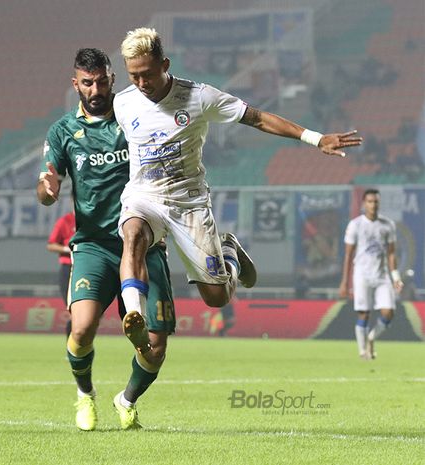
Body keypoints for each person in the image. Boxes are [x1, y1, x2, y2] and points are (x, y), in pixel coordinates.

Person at [112, 27, 362, 343]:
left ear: (165, 64)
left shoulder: (199, 97)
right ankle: (134, 313)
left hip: (188, 202)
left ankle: (228, 251)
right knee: (132, 233)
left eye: (147, 74)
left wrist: (315, 138)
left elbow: (256, 118)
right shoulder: (124, 102)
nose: (141, 83)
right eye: (133, 75)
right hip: (144, 196)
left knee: (216, 297)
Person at [37, 48, 175, 431]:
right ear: (75, 84)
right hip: (95, 245)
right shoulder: (63, 131)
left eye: (101, 81)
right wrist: (47, 189)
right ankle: (85, 395)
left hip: (146, 243)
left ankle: (126, 399)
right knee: (80, 329)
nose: (95, 89)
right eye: (87, 82)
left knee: (156, 346)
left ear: (113, 79)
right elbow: (47, 186)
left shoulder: (136, 117)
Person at [339, 189, 403, 360]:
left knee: (388, 312)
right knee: (364, 313)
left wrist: (395, 277)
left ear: (379, 203)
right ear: (363, 204)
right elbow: (348, 255)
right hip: (362, 274)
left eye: (376, 202)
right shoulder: (355, 225)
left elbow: (391, 253)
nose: (373, 205)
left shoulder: (388, 225)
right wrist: (345, 282)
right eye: (370, 201)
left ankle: (371, 337)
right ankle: (362, 352)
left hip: (382, 275)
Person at [46, 208, 76, 338]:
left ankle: (80, 347)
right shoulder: (65, 221)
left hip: (90, 268)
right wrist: (67, 249)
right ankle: (72, 349)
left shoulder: (94, 219)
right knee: (73, 311)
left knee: (90, 313)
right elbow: (51, 245)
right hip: (68, 268)